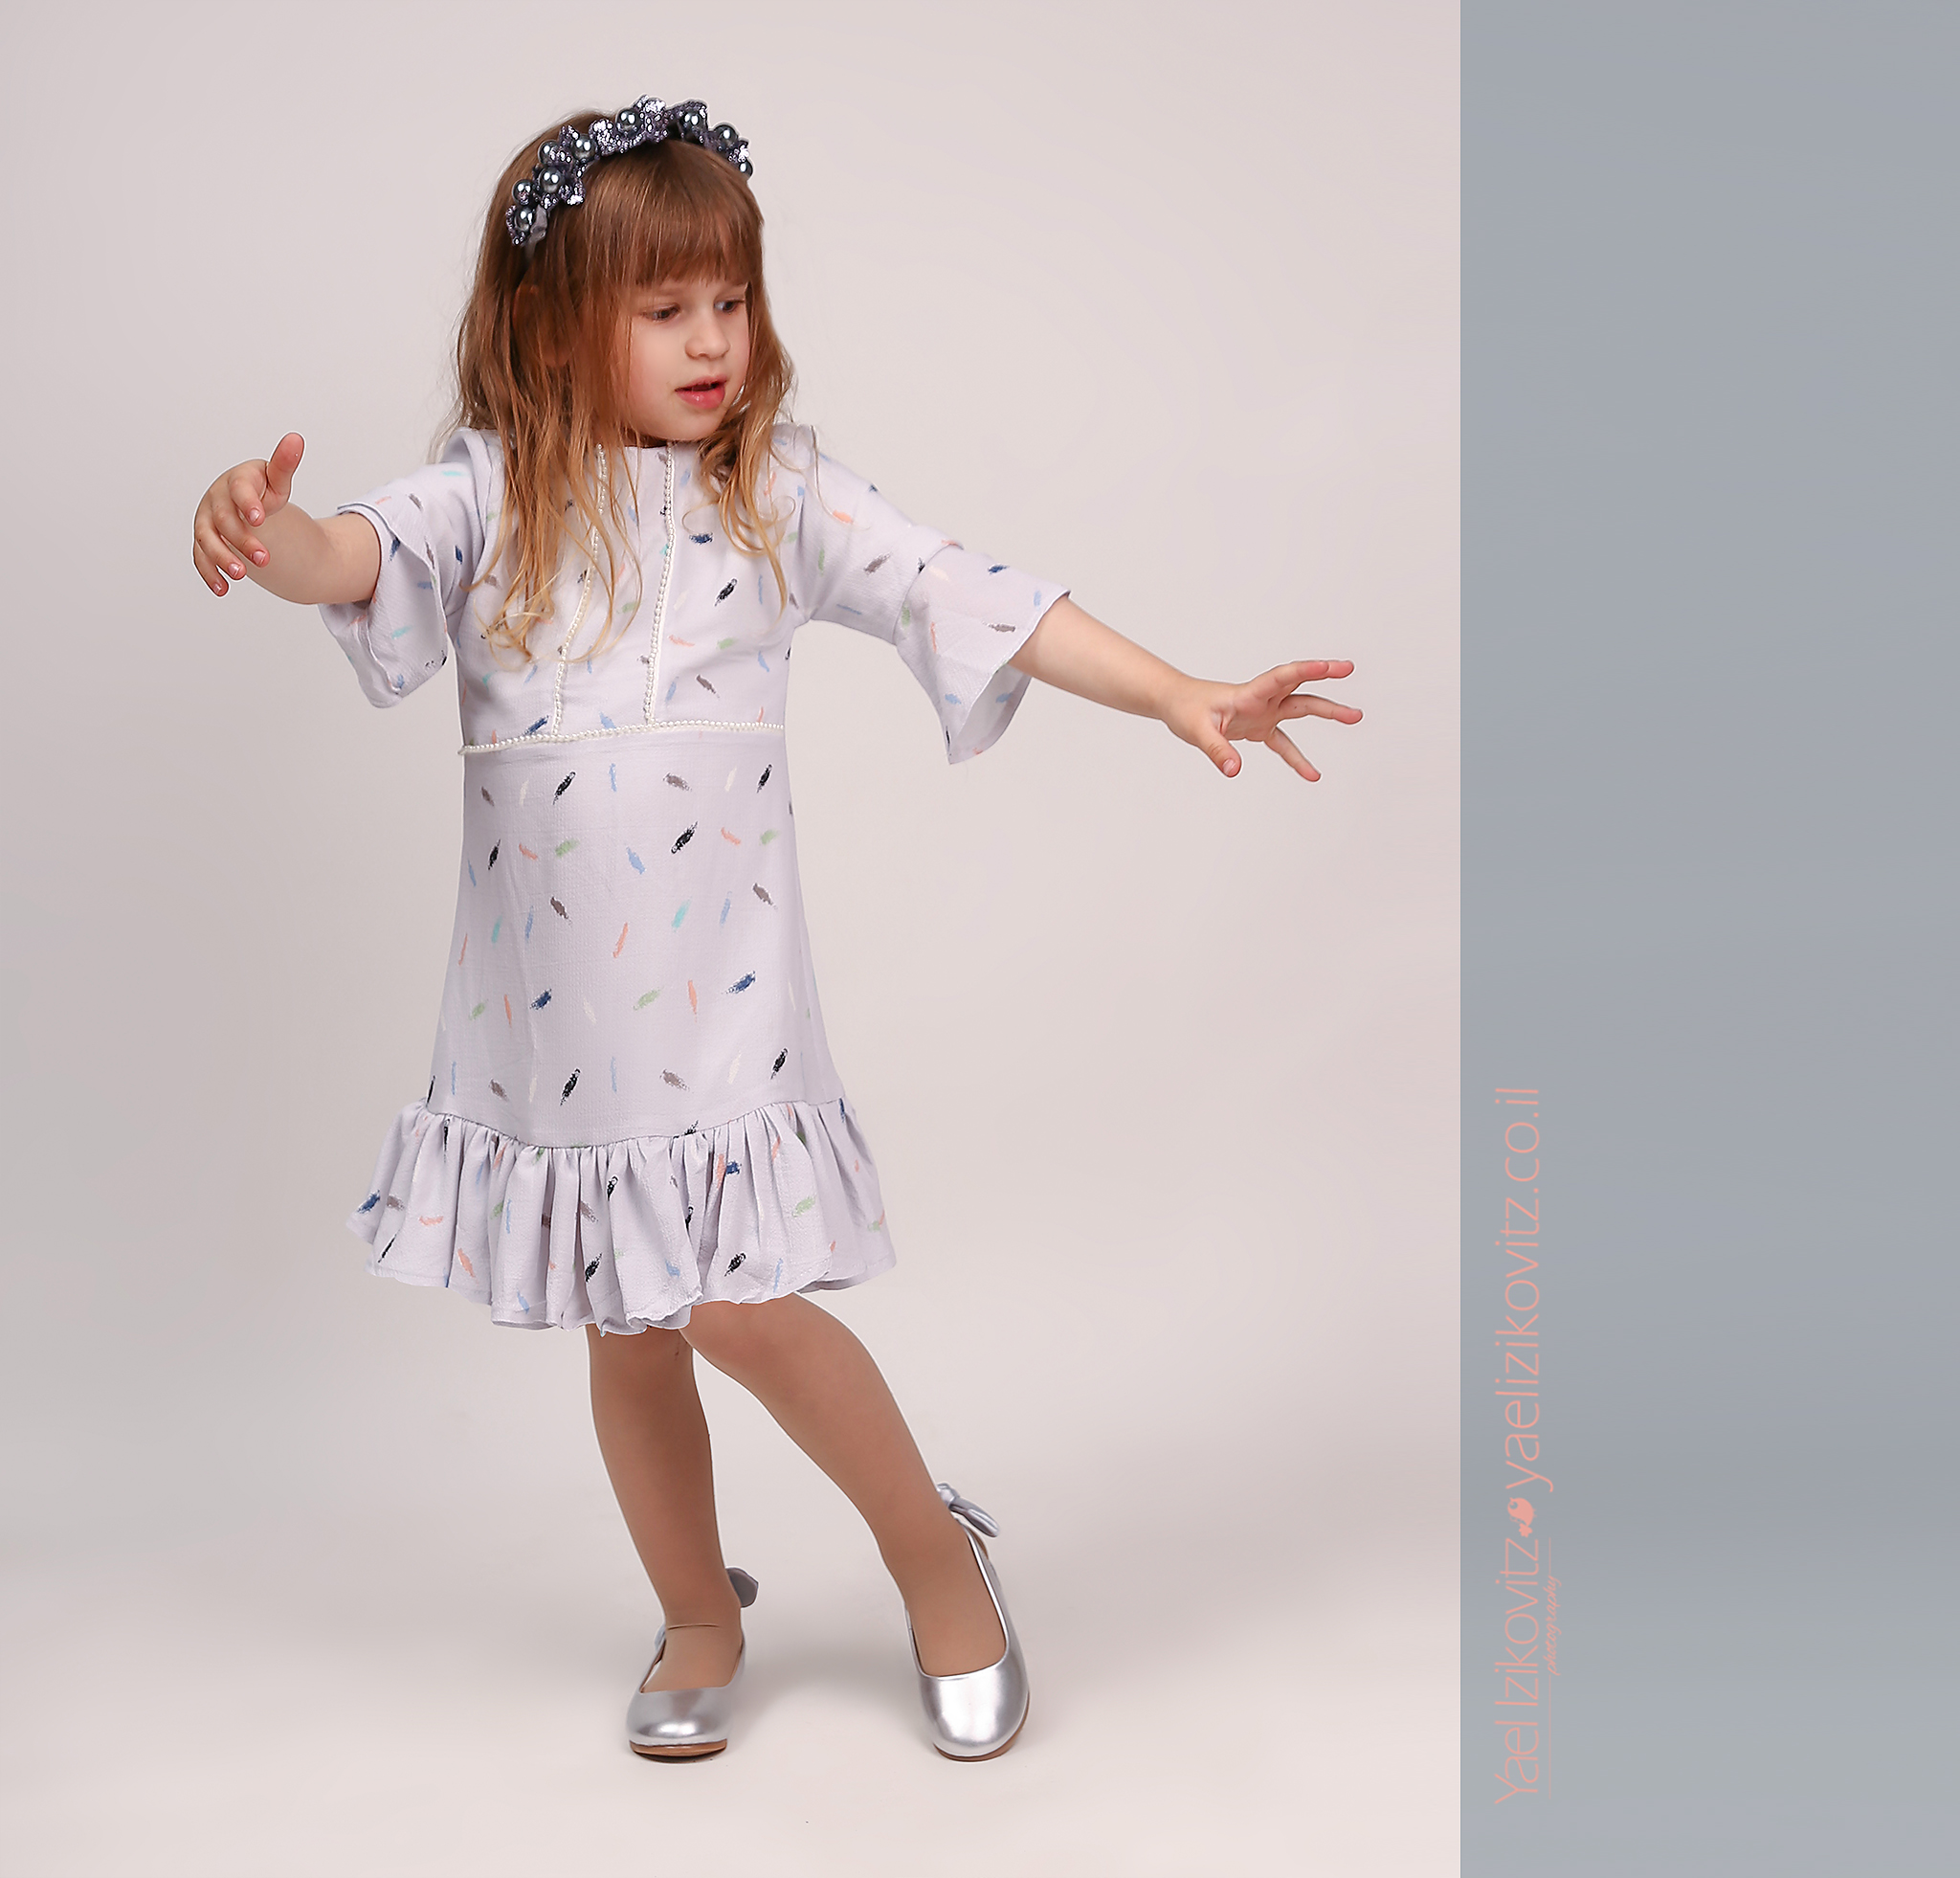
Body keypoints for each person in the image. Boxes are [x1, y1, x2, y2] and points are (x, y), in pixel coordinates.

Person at [189, 96, 1361, 1763]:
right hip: (555, 1022)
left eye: (730, 300)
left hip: (721, 999)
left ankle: (933, 1553)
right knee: (627, 1317)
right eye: (665, 307)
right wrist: (264, 530)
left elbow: (966, 589)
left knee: (735, 1300)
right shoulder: (488, 495)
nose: (712, 340)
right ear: (552, 324)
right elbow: (347, 554)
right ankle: (697, 1609)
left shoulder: (769, 493)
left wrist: (1177, 688)